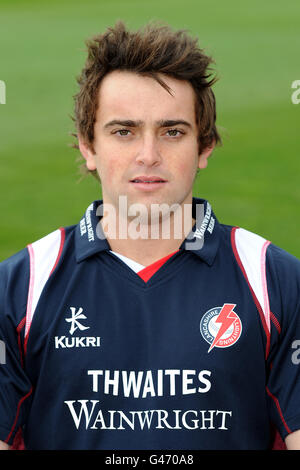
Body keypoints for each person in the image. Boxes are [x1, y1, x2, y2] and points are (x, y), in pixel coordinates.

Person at [0, 21, 300, 451]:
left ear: (205, 146)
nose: (148, 155)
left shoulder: (277, 283)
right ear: (88, 146)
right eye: (124, 131)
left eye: (172, 132)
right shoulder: (20, 288)